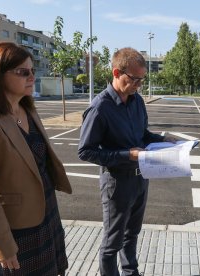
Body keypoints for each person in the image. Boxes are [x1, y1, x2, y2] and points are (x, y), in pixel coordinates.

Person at [0, 41, 72, 275]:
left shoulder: (27, 109)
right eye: (22, 72)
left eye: (32, 71)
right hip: (18, 227)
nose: (31, 77)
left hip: (47, 213)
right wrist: (3, 246)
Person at [78, 47, 175, 276]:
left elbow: (142, 135)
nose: (138, 85)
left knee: (132, 234)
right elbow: (85, 151)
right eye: (134, 79)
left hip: (141, 179)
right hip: (117, 184)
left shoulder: (137, 101)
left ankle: (131, 273)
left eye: (142, 80)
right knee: (112, 243)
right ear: (116, 73)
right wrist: (126, 155)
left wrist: (164, 139)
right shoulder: (100, 108)